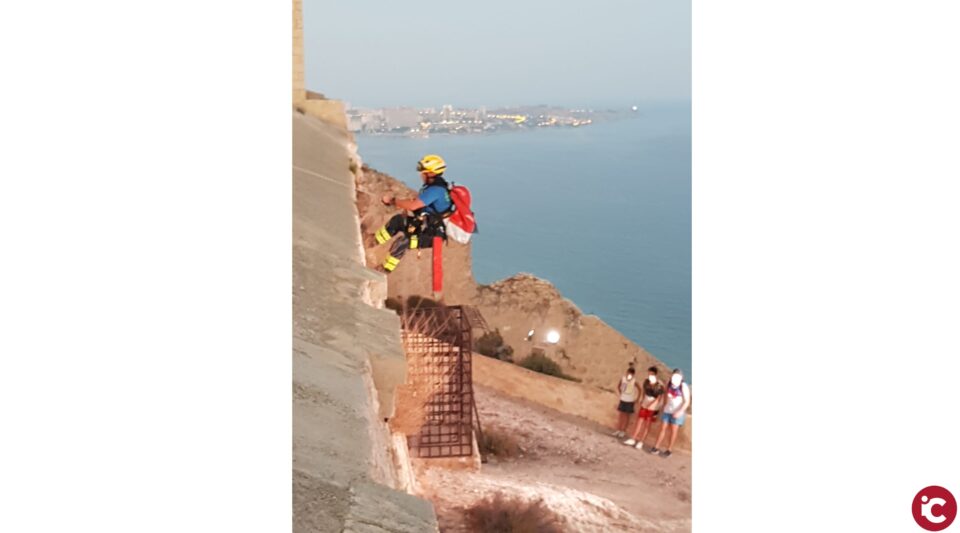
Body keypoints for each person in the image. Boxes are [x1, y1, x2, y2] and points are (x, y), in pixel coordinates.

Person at [373, 154, 454, 273]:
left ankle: (384, 270)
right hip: (427, 227)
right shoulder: (436, 187)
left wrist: (392, 201)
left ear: (430, 173)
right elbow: (421, 206)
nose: (421, 174)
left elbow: (413, 205)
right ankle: (373, 242)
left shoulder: (435, 190)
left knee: (403, 242)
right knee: (398, 221)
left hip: (433, 234)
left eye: (423, 172)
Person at [650, 368, 691, 458]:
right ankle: (656, 447)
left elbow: (687, 401)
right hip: (668, 410)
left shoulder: (683, 386)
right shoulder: (669, 382)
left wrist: (680, 412)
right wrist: (664, 404)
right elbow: (665, 393)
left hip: (677, 412)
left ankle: (669, 449)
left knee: (673, 431)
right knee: (662, 428)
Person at [623, 366, 664, 449]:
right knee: (639, 421)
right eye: (649, 373)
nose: (650, 375)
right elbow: (644, 391)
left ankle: (641, 441)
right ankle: (633, 438)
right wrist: (642, 400)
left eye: (651, 374)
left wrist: (652, 404)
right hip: (645, 403)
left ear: (655, 374)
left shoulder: (659, 385)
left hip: (654, 407)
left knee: (647, 424)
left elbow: (659, 397)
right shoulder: (646, 381)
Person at [611, 366, 641, 438]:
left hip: (630, 401)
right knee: (621, 415)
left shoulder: (634, 381)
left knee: (627, 416)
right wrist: (621, 393)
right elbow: (619, 386)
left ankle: (623, 431)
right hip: (623, 399)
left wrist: (637, 399)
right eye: (628, 373)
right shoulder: (623, 379)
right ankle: (618, 429)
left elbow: (640, 389)